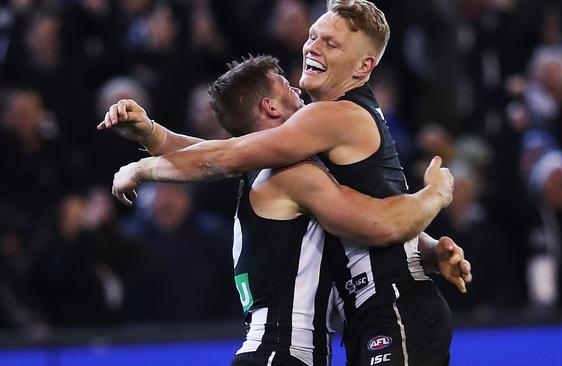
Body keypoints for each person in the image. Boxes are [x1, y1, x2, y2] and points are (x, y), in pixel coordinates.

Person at [101, 1, 470, 364]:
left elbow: (223, 155)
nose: (312, 46)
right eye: (313, 36)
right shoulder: (292, 169)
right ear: (271, 109)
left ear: (363, 67)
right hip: (311, 343)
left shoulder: (328, 121)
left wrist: (150, 147)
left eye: (331, 42)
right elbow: (381, 221)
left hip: (386, 309)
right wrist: (435, 197)